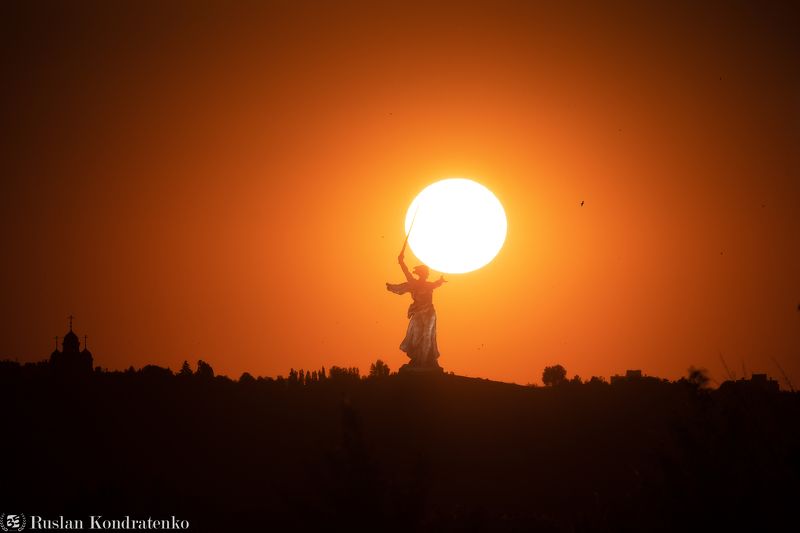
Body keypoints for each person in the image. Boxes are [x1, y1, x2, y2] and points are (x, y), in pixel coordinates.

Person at [386, 251, 446, 369]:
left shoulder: (428, 285)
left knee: (428, 336)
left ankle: (427, 360)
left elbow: (435, 284)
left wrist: (440, 281)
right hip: (418, 313)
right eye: (425, 273)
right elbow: (406, 271)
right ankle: (418, 359)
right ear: (420, 274)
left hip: (429, 313)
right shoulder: (413, 284)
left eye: (427, 274)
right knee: (417, 335)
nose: (426, 275)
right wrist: (401, 261)